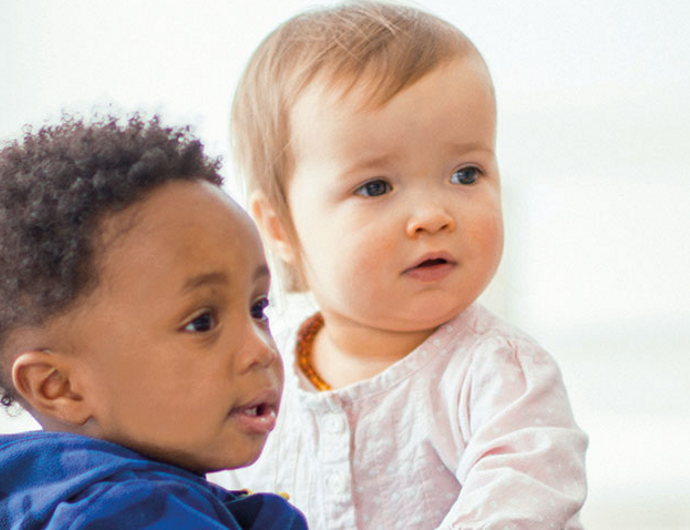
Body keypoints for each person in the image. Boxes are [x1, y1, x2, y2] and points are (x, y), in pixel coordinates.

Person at [214, 2, 588, 528]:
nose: (433, 216)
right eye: (376, 187)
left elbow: (524, 502)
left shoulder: (499, 375)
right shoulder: (254, 366)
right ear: (279, 228)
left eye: (465, 174)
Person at [0, 112, 307, 529]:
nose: (261, 349)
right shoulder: (138, 514)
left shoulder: (12, 502)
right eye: (201, 322)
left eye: (258, 308)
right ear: (60, 386)